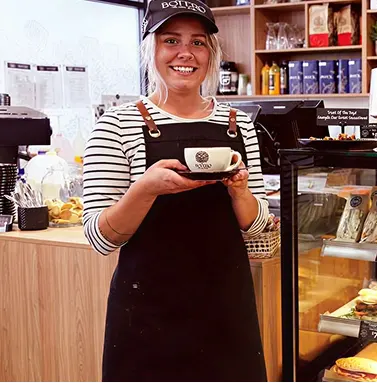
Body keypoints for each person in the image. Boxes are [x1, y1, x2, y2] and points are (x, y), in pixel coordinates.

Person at [82, 1, 271, 381]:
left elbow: (259, 230)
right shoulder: (117, 125)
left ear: (211, 54)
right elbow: (99, 238)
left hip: (226, 307)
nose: (185, 53)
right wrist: (145, 190)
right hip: (147, 312)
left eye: (198, 43)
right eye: (171, 40)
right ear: (152, 49)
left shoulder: (238, 125)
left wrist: (241, 194)